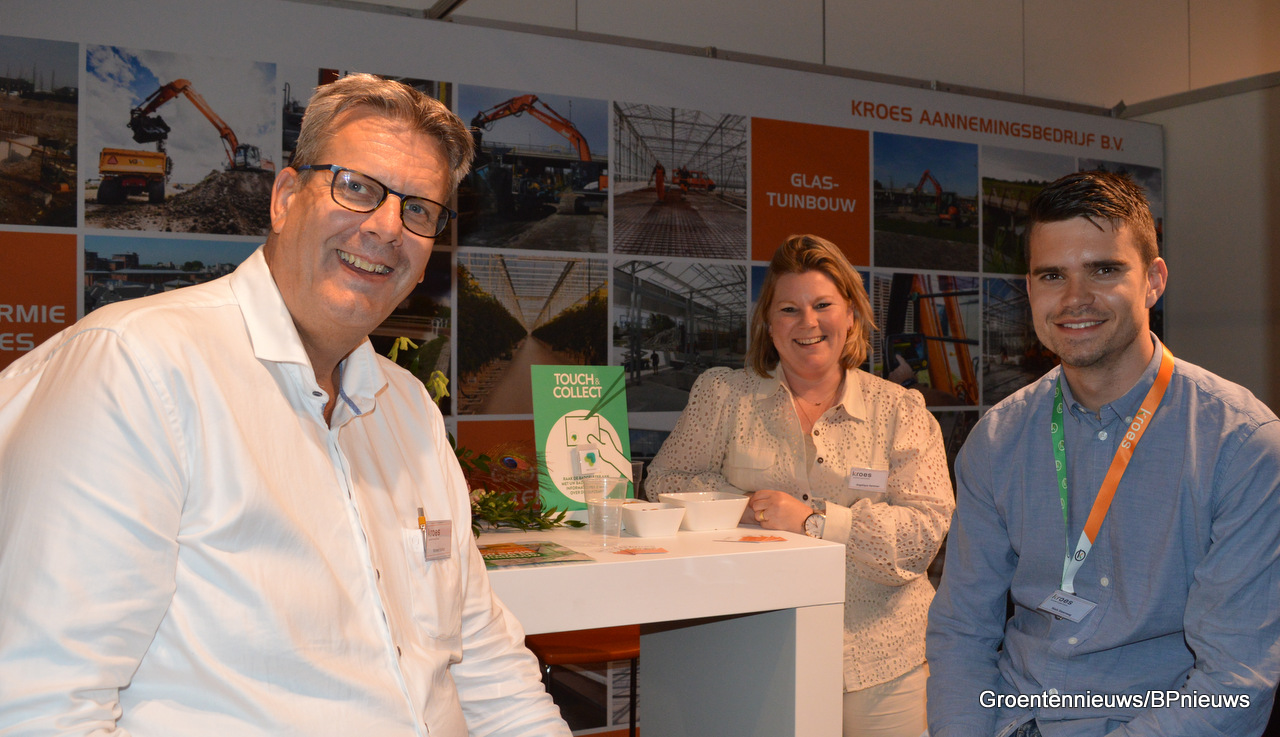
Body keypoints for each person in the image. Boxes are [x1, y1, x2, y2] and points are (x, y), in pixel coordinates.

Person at [0, 74, 570, 736]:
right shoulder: (136, 369)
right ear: (285, 198)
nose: (388, 227)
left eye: (419, 210)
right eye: (357, 187)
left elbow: (488, 669)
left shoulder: (407, 407)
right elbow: (39, 702)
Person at [926, 170, 1280, 737]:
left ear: (1153, 281)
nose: (1075, 298)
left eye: (1104, 270)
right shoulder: (997, 440)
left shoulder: (1240, 446)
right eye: (1052, 275)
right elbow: (962, 632)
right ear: (1030, 289)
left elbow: (1235, 683)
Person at [647, 234, 954, 736]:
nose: (808, 322)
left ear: (851, 314)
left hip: (882, 661)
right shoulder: (724, 395)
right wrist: (742, 506)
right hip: (753, 651)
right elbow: (664, 481)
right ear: (769, 324)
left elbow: (921, 535)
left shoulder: (901, 410)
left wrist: (814, 521)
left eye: (823, 305)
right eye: (789, 309)